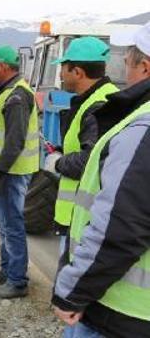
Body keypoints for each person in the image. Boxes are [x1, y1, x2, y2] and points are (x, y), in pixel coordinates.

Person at [52, 22, 150, 337]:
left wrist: (73, 290)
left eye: (129, 59)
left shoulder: (140, 126)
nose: (123, 65)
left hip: (119, 309)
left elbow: (121, 225)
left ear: (145, 66)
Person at [42, 37, 118, 259]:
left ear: (77, 72)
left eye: (64, 69)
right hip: (79, 213)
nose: (61, 75)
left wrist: (57, 162)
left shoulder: (99, 105)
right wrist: (60, 150)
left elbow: (89, 161)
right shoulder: (95, 99)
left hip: (85, 216)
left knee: (70, 284)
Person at [0, 45, 39, 299]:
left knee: (12, 226)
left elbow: (15, 141)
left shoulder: (17, 96)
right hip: (3, 172)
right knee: (3, 225)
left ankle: (17, 281)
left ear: (3, 66)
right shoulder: (7, 92)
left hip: (11, 173)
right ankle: (6, 270)